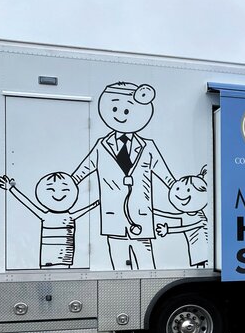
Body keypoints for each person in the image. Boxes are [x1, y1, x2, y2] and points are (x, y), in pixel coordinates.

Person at [72, 82, 175, 270]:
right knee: (118, 266)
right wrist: (69, 184)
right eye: (114, 108)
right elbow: (83, 170)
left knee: (147, 265)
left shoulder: (148, 146)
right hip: (114, 219)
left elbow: (165, 176)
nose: (120, 115)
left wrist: (180, 191)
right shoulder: (102, 145)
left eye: (127, 111)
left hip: (141, 219)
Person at [0, 172, 98, 268]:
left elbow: (88, 208)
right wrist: (11, 189)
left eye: (64, 190)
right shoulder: (52, 216)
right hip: (53, 258)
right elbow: (27, 203)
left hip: (63, 257)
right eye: (51, 190)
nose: (58, 194)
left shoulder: (51, 216)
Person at [155, 167, 210, 267]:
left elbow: (187, 228)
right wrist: (154, 211)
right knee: (200, 266)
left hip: (203, 248)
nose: (181, 194)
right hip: (195, 247)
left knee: (203, 266)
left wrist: (168, 230)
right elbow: (172, 215)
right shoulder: (186, 214)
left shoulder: (201, 218)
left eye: (188, 190)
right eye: (178, 189)